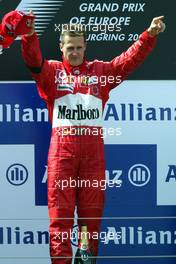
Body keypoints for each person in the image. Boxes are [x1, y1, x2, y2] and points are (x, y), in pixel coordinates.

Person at [21, 14, 165, 264]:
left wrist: (148, 36)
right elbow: (34, 60)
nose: (75, 52)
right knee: (60, 221)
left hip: (92, 157)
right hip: (61, 155)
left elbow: (126, 62)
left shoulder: (100, 72)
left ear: (85, 46)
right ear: (61, 48)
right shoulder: (51, 73)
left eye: (79, 47)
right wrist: (30, 36)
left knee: (89, 221)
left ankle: (85, 258)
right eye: (70, 48)